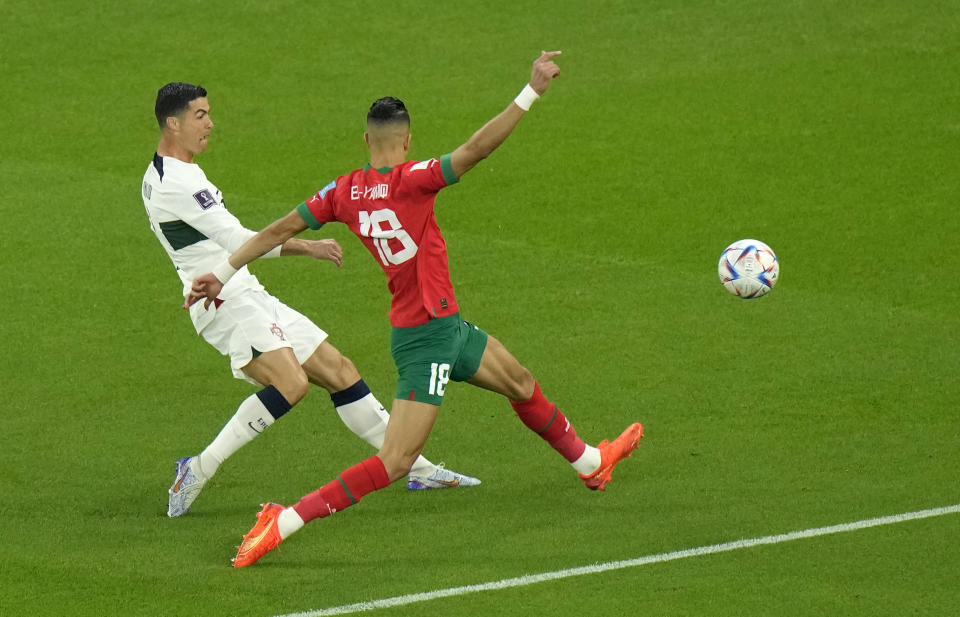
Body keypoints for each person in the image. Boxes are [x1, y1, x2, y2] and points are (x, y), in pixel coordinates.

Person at [186, 51, 643, 568]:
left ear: (366, 141)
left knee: (519, 381)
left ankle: (589, 463)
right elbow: (475, 150)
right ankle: (283, 520)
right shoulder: (414, 180)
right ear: (407, 140)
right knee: (397, 461)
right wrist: (531, 90)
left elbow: (274, 232)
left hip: (443, 327)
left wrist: (221, 274)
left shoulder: (341, 193)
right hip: (425, 340)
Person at [141, 82, 480, 518]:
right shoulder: (179, 184)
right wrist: (309, 247)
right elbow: (238, 240)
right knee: (291, 383)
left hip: (243, 291)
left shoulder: (162, 172)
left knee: (339, 371)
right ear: (174, 122)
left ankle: (418, 468)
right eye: (200, 115)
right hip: (221, 300)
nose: (210, 123)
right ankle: (198, 468)